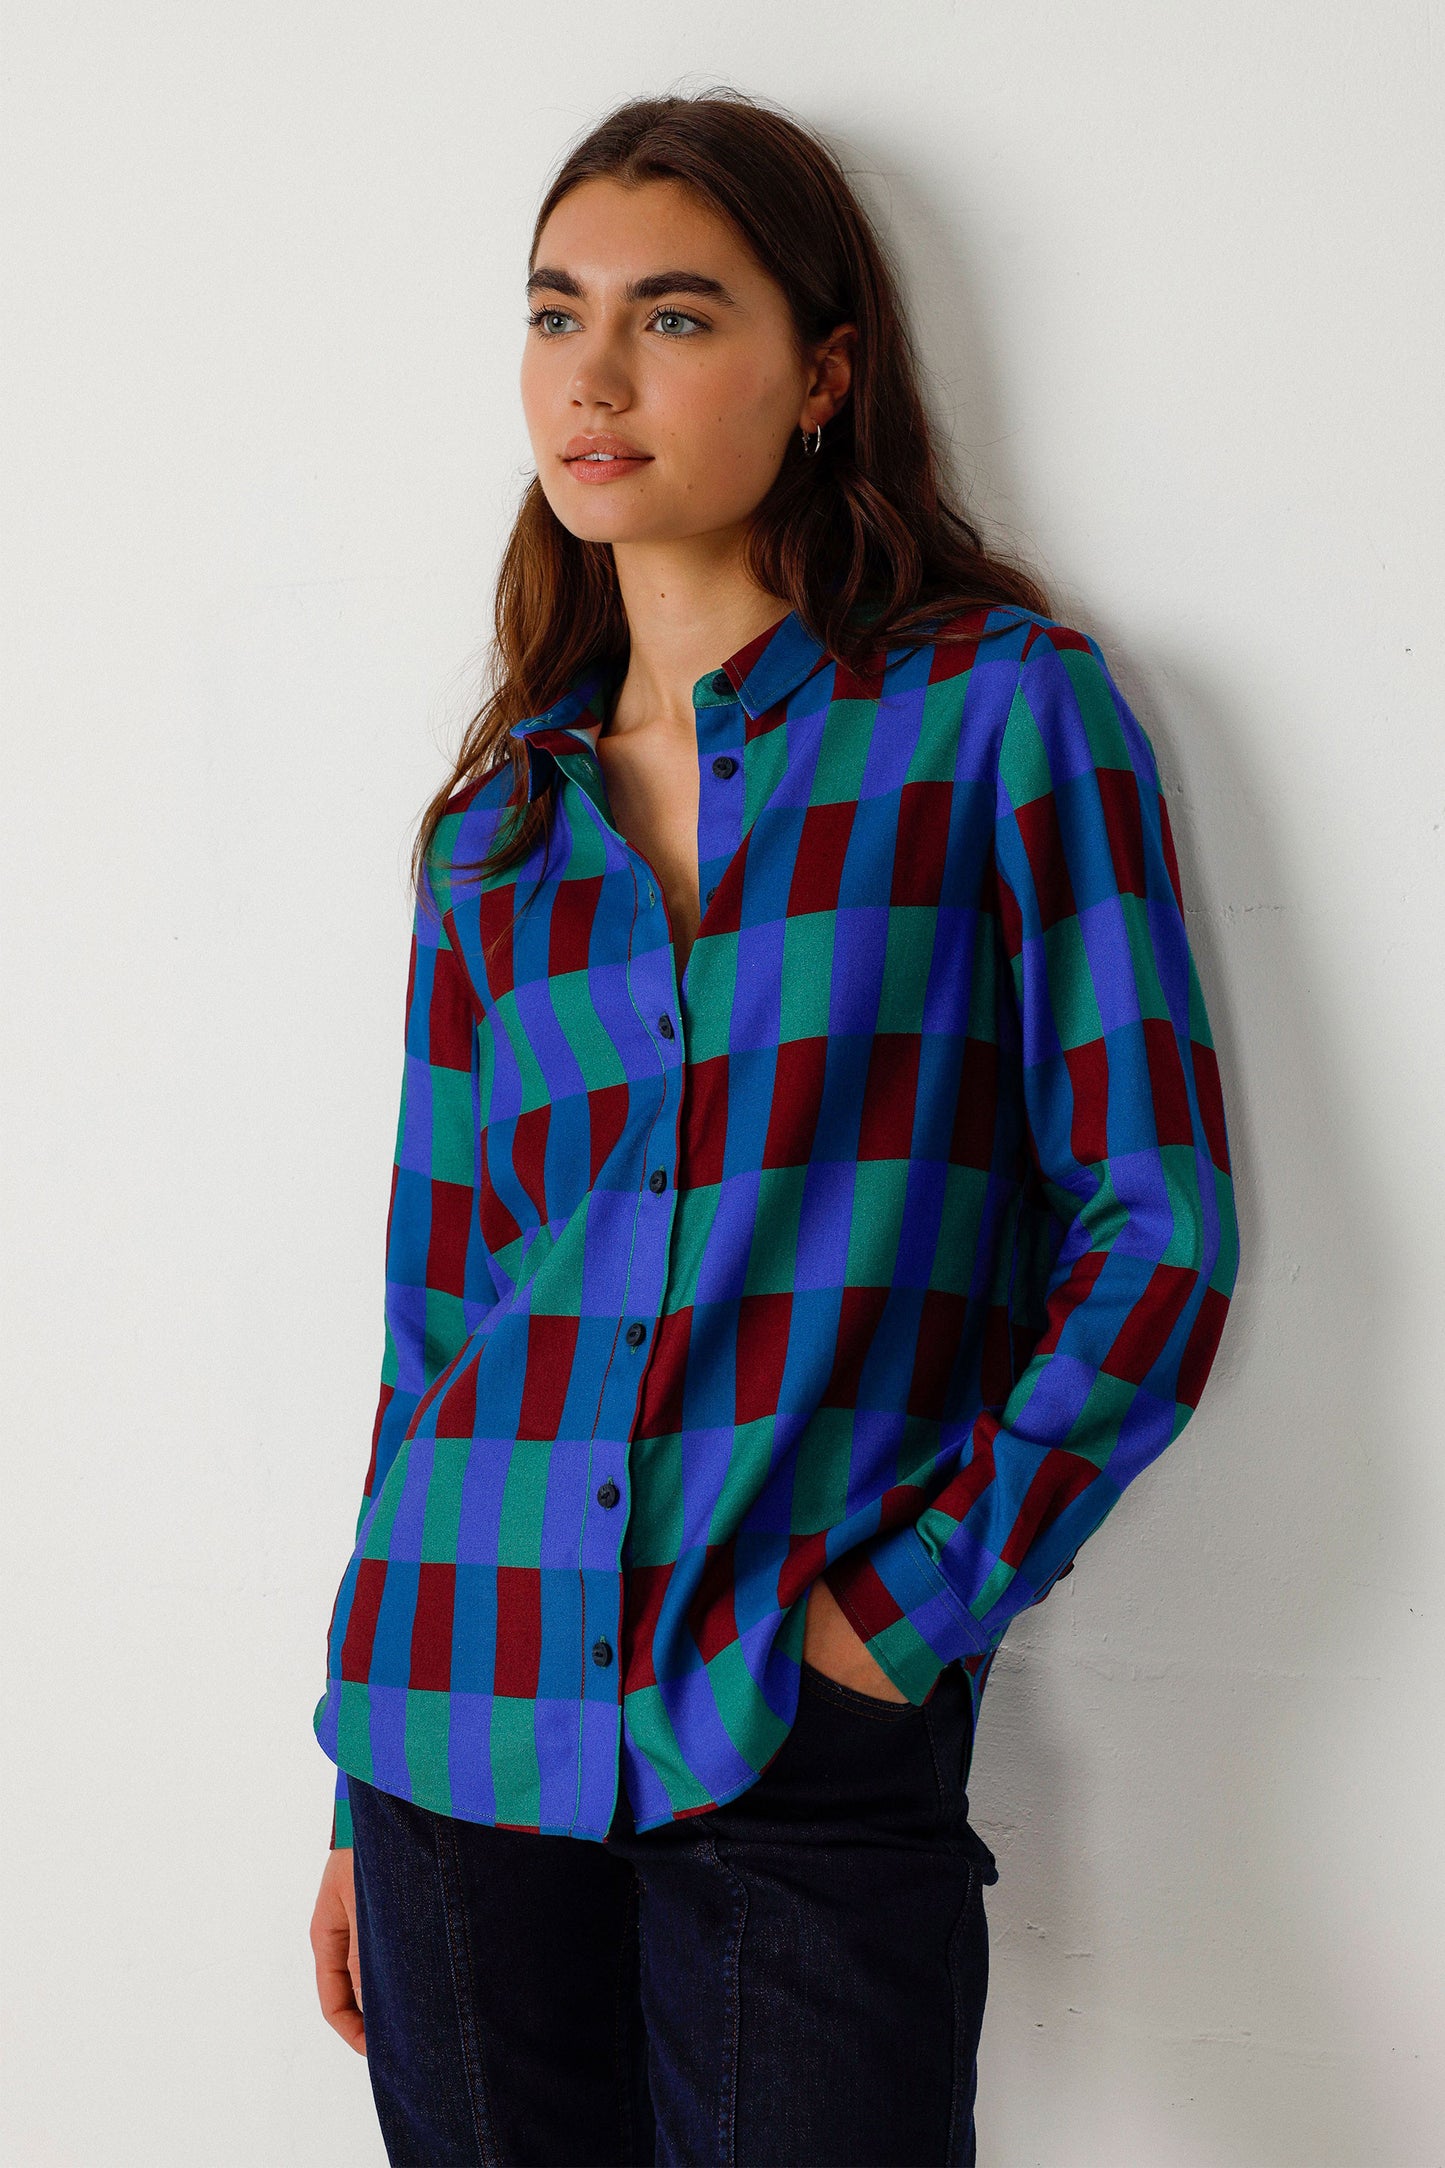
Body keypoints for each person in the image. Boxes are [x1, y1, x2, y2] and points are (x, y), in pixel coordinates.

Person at [308, 89, 1240, 2168]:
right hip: (455, 1719)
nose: (594, 378)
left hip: (789, 1727)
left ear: (824, 375)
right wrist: (355, 1794)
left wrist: (894, 1622)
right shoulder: (496, 837)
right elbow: (437, 1330)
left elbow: (1155, 1232)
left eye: (673, 316)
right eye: (556, 314)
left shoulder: (997, 716)